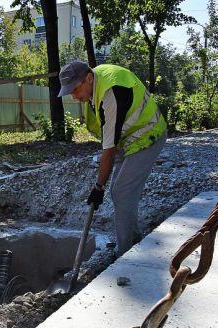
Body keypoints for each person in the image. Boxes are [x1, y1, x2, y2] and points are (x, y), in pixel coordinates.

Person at [58, 61, 167, 258]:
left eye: (75, 89)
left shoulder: (111, 92)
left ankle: (125, 254)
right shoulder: (96, 85)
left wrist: (98, 188)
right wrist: (100, 186)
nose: (74, 97)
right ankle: (134, 239)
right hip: (127, 139)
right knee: (119, 190)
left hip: (147, 135)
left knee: (121, 191)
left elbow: (108, 151)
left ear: (88, 78)